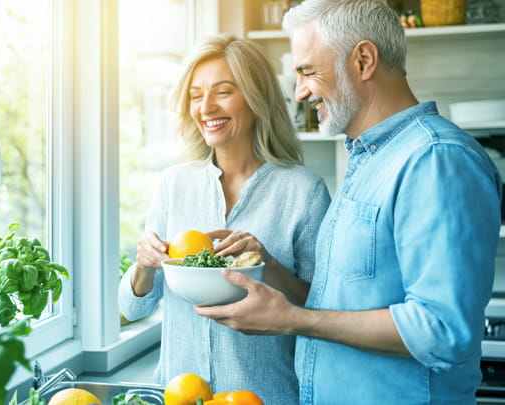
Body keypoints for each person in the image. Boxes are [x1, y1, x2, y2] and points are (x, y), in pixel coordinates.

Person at [195, 1, 503, 404]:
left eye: (307, 71)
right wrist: (271, 269)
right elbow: (337, 306)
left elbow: (442, 330)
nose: (301, 91)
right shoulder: (367, 161)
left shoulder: (435, 159)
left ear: (363, 60)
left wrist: (293, 321)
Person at [118, 34, 331, 404]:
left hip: (265, 395)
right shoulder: (175, 184)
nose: (206, 107)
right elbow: (134, 307)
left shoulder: (303, 190)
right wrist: (144, 265)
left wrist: (267, 264)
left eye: (222, 91)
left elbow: (321, 307)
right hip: (178, 394)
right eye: (196, 95)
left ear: (256, 97)